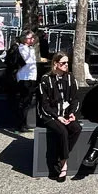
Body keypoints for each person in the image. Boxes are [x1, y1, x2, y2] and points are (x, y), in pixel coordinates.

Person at [37, 52, 80, 182]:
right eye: (63, 63)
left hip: (65, 113)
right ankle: (64, 164)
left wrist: (72, 113)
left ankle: (60, 157)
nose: (66, 65)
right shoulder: (45, 79)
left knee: (76, 128)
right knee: (62, 131)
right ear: (55, 64)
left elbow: (75, 99)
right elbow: (44, 105)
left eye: (67, 63)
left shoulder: (70, 78)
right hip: (49, 114)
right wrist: (57, 117)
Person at [16, 30, 41, 130]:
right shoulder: (22, 48)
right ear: (25, 39)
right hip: (24, 77)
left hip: (31, 76)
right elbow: (26, 60)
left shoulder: (30, 48)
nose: (33, 40)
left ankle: (24, 122)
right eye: (30, 38)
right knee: (24, 101)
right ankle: (21, 124)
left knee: (28, 101)